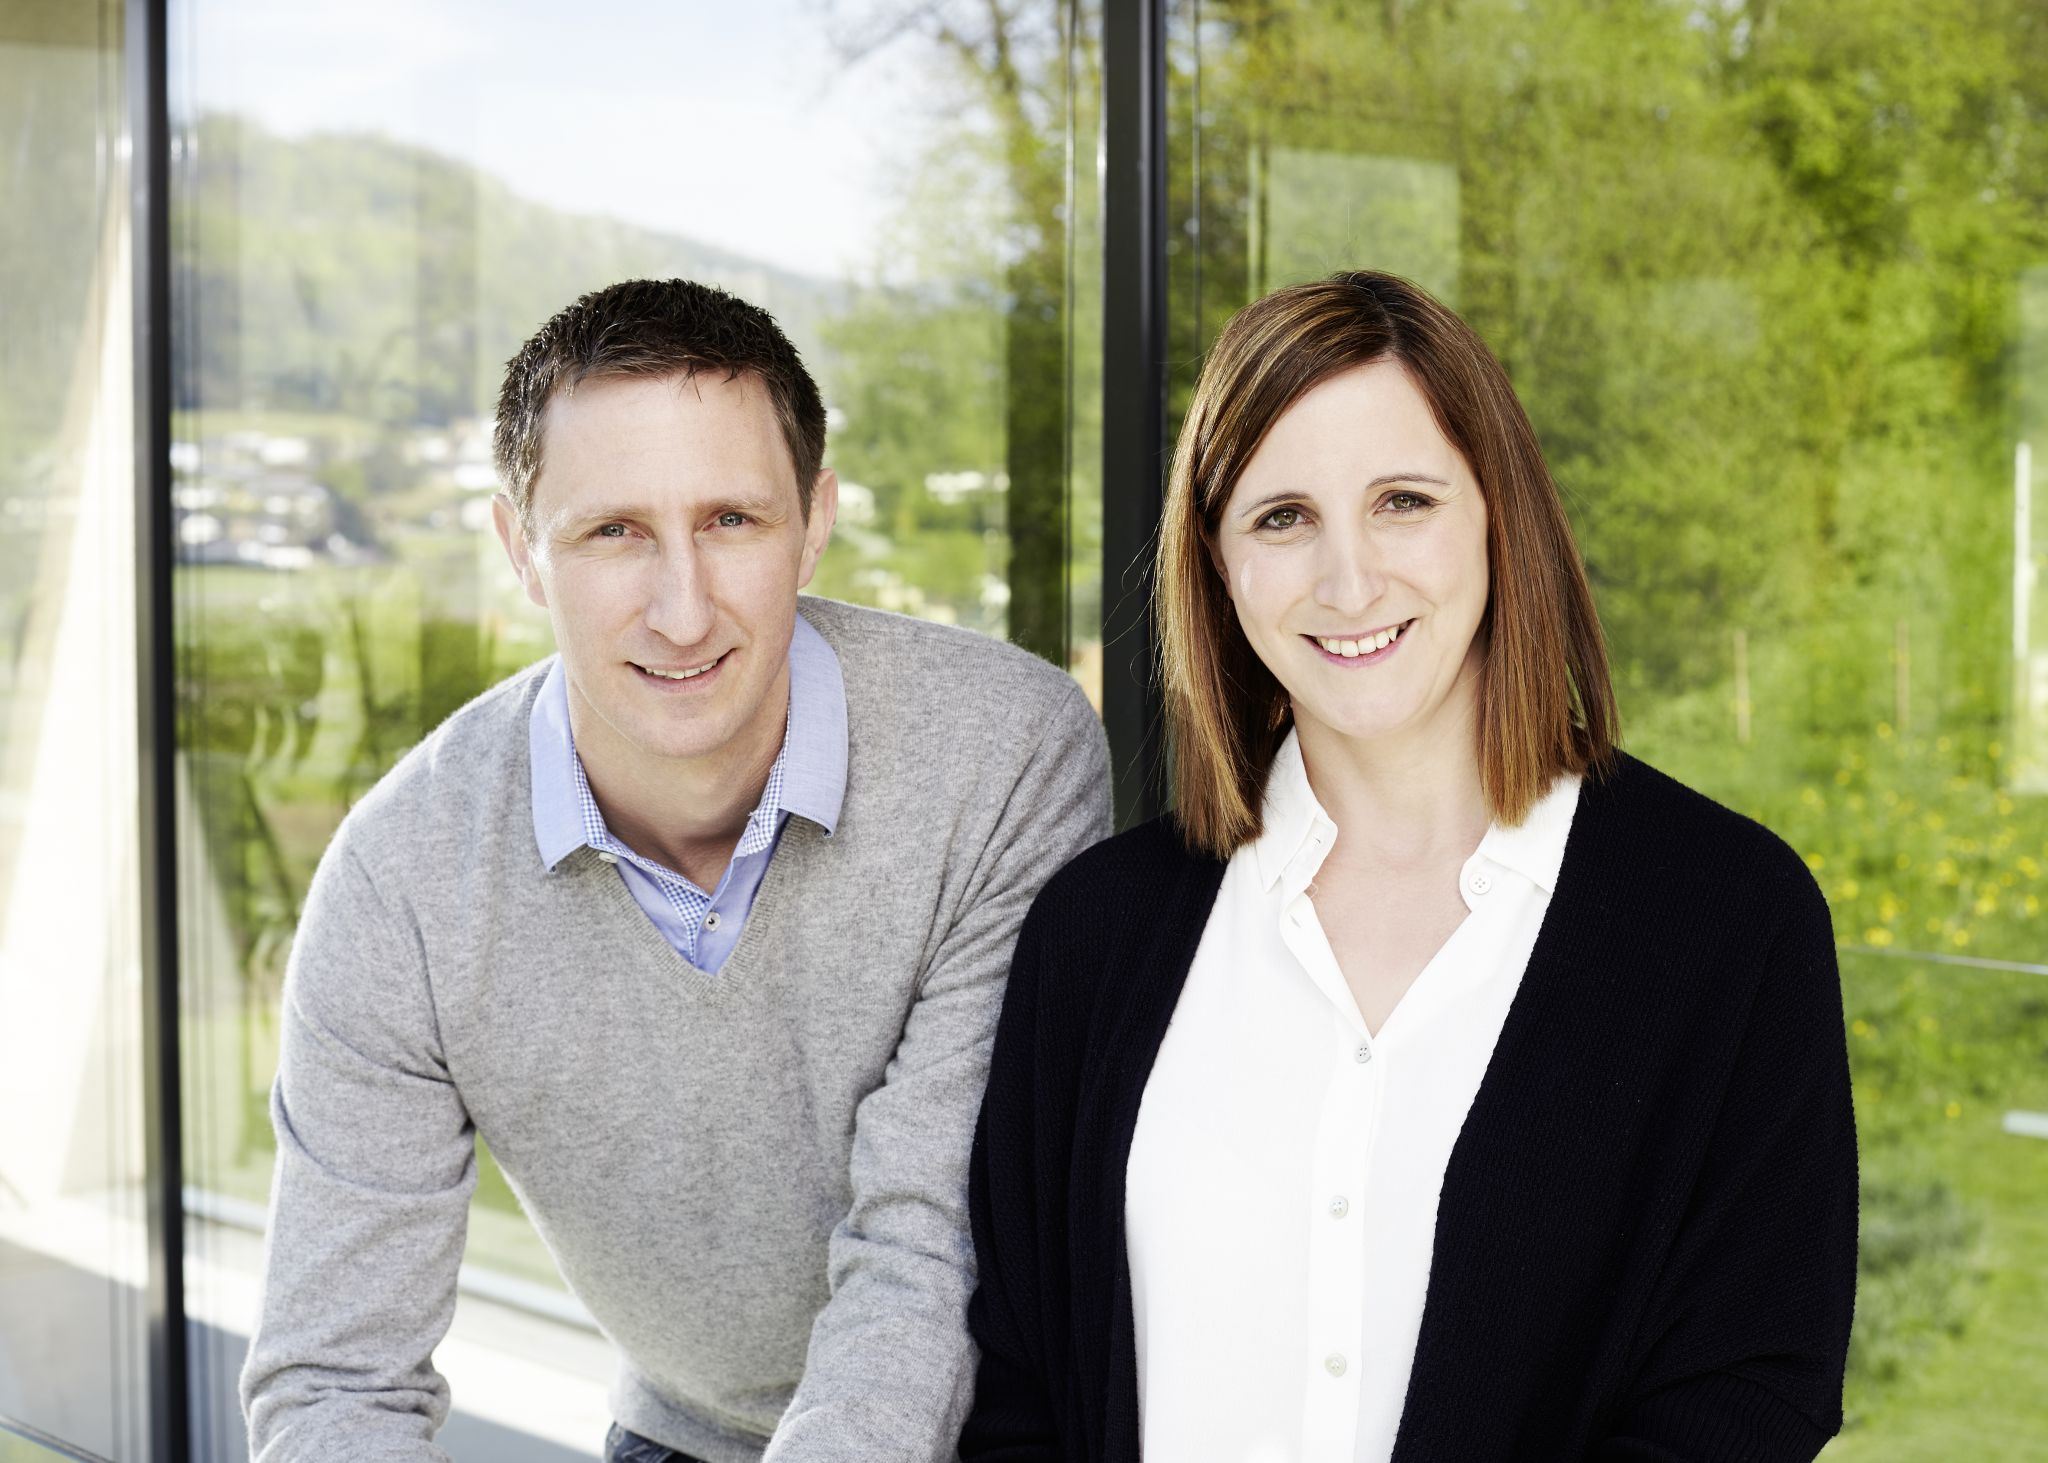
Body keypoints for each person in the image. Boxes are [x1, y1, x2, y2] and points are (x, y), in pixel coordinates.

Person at [959, 271, 1858, 1462]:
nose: (1347, 581)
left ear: (1498, 512)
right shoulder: (1100, 931)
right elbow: (1019, 1384)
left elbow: (1750, 1386)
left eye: (1401, 501)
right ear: (1218, 567)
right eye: (1281, 517)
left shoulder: (1726, 921)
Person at [240, 278, 1112, 1463]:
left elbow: (926, 1249)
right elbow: (337, 1373)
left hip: (1003, 1423)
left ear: (813, 520)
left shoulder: (999, 752)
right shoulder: (404, 880)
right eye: (614, 532)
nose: (683, 610)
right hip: (684, 1430)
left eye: (729, 522)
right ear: (522, 550)